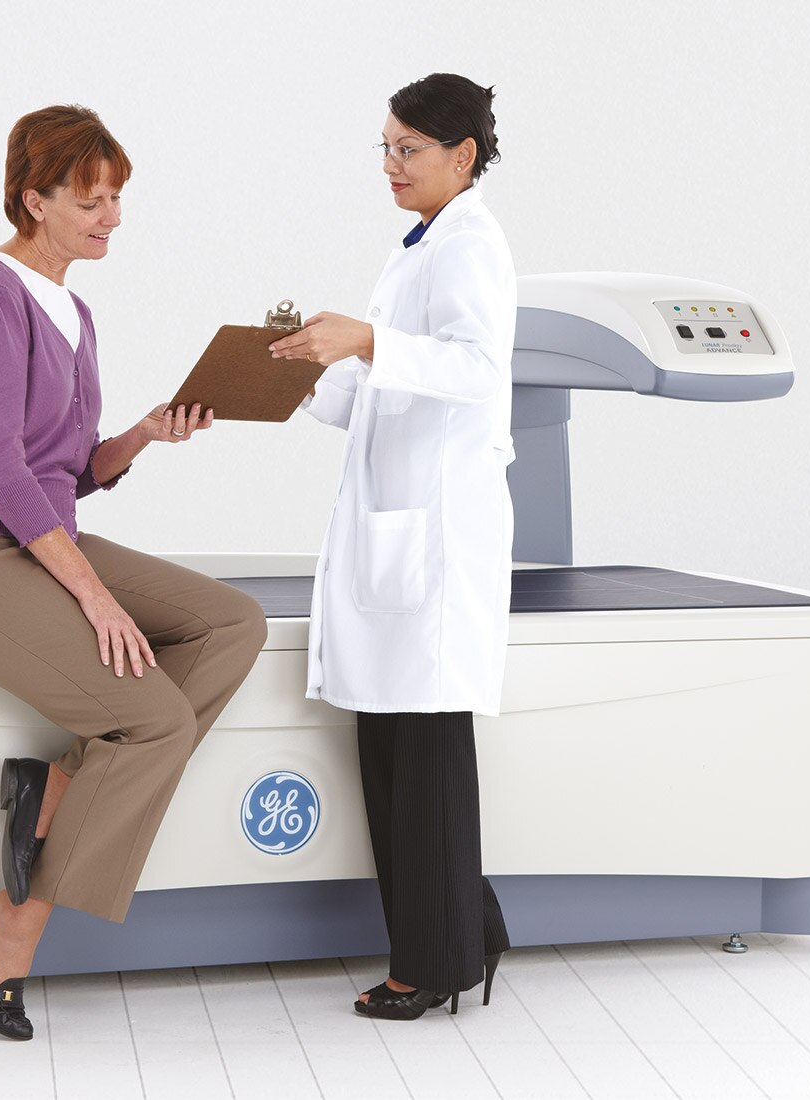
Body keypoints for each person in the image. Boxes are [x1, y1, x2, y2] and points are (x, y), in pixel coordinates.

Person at [0, 104, 268, 1041]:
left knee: (233, 624)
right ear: (34, 200)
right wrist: (93, 595)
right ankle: (12, 926)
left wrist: (141, 435)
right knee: (154, 719)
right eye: (91, 201)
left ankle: (56, 791)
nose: (113, 218)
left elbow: (63, 470)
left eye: (117, 199)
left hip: (34, 532)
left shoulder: (75, 309)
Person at [269, 73, 514, 1020]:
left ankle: (434, 964)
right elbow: (373, 396)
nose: (390, 165)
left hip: (436, 542)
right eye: (385, 147)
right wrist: (295, 370)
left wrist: (367, 339)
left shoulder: (471, 244)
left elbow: (478, 367)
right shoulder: (417, 246)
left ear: (463, 155)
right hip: (397, 537)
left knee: (424, 760)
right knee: (399, 752)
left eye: (407, 149)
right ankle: (471, 933)